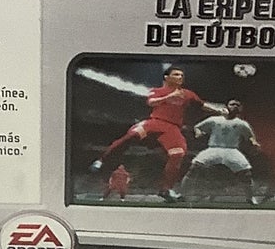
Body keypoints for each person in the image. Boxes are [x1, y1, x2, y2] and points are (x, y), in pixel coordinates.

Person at [91, 67, 208, 199]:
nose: (180, 77)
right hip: (155, 122)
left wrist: (220, 111)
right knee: (132, 135)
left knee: (178, 153)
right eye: (176, 74)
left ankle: (166, 190)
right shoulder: (157, 91)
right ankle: (102, 160)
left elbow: (202, 105)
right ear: (166, 77)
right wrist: (169, 96)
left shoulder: (188, 94)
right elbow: (151, 102)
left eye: (181, 75)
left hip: (172, 128)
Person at [183, 101, 262, 204]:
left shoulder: (241, 124)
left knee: (246, 174)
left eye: (237, 105)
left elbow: (250, 136)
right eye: (232, 104)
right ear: (227, 106)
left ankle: (250, 198)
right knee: (194, 168)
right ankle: (182, 194)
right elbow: (197, 127)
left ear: (240, 109)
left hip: (232, 150)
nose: (235, 106)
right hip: (213, 148)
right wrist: (199, 133)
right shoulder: (214, 120)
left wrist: (254, 142)